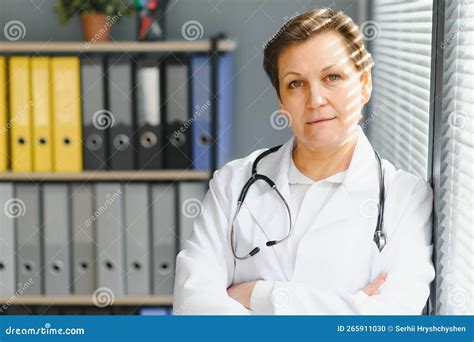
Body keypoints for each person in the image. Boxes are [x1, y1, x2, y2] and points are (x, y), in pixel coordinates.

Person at [173, 7, 435, 315]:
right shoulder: (234, 183)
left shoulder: (405, 197)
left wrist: (260, 295)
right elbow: (192, 306)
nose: (315, 100)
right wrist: (351, 307)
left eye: (332, 77)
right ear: (281, 100)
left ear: (364, 85)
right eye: (296, 84)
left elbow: (391, 317)